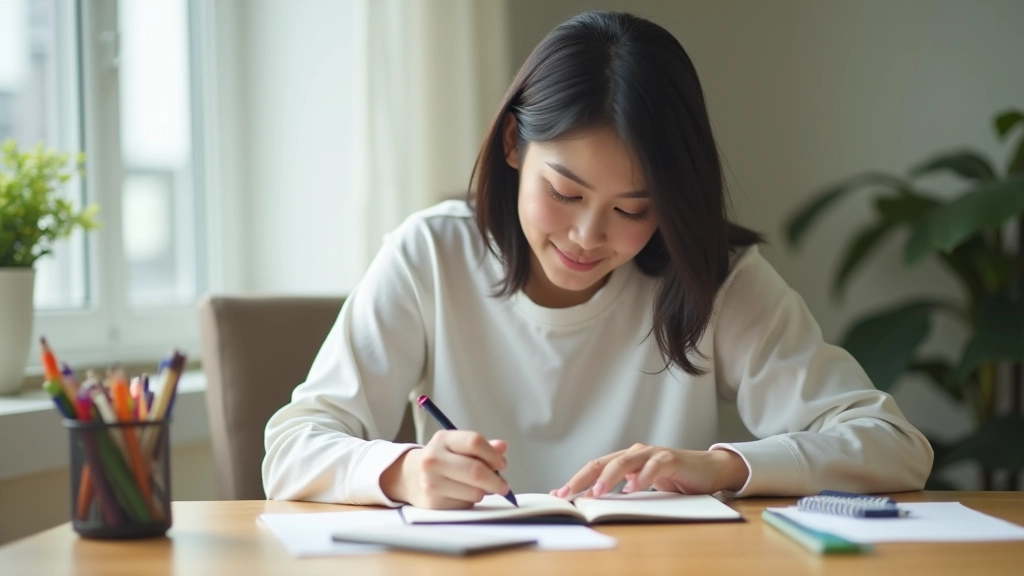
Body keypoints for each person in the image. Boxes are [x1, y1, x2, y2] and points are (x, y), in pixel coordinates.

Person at [262, 10, 933, 509]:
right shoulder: (430, 255)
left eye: (634, 209)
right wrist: (403, 473)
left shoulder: (712, 276)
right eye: (565, 192)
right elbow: (292, 448)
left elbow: (894, 445)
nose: (587, 235)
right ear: (514, 145)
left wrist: (721, 466)